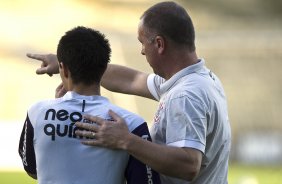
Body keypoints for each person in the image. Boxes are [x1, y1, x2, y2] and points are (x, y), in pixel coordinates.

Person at [27, 1, 231, 184]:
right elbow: (132, 80)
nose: (142, 51)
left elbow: (189, 165)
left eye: (143, 43)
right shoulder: (199, 79)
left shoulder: (185, 95)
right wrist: (73, 65)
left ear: (159, 44)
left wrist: (126, 140)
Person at [19, 26, 160, 184]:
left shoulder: (36, 112)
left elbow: (32, 169)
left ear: (63, 70)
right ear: (104, 69)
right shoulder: (133, 124)